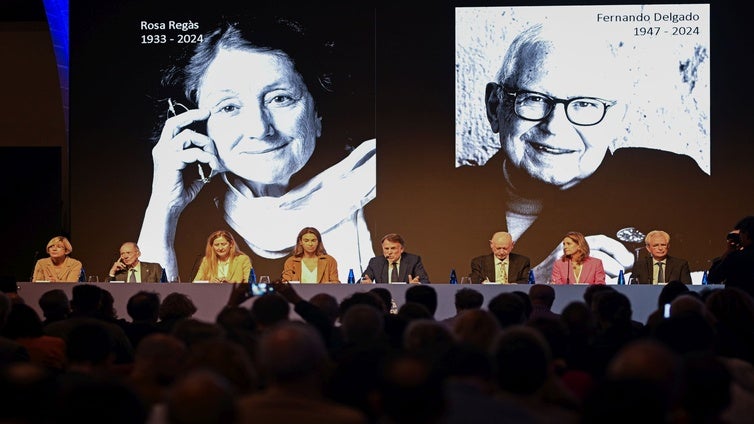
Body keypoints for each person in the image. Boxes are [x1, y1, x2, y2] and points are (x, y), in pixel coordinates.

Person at [136, 13, 375, 284]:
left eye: (279, 98)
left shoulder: (378, 184)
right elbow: (141, 307)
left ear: (318, 112)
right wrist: (163, 207)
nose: (260, 129)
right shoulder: (189, 222)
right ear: (199, 126)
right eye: (229, 107)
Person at [479, 21, 712, 283]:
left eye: (586, 104)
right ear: (494, 106)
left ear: (617, 120)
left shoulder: (674, 185)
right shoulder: (445, 201)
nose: (555, 126)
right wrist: (535, 283)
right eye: (533, 98)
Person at [708, 216, 754, 297]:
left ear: (746, 234)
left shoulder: (737, 258)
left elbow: (714, 277)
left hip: (740, 304)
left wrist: (728, 252)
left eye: (740, 233)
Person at [362, 233, 429, 284]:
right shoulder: (375, 262)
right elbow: (362, 280)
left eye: (393, 248)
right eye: (386, 249)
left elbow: (425, 281)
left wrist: (418, 284)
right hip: (383, 299)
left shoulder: (413, 260)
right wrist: (365, 282)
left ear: (402, 249)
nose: (389, 252)